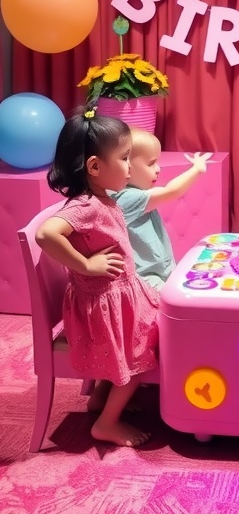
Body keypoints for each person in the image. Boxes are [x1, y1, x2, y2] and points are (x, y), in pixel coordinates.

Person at [36, 109, 160, 448]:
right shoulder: (86, 205)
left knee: (157, 319)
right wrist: (85, 265)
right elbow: (47, 234)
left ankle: (101, 398)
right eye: (124, 159)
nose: (131, 167)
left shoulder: (101, 198)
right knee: (144, 347)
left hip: (118, 298)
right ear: (94, 167)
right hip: (104, 308)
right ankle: (106, 423)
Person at [111, 128, 211, 289]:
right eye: (151, 163)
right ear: (126, 166)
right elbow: (171, 191)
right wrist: (197, 168)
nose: (158, 168)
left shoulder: (134, 194)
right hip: (145, 277)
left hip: (160, 271)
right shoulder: (125, 198)